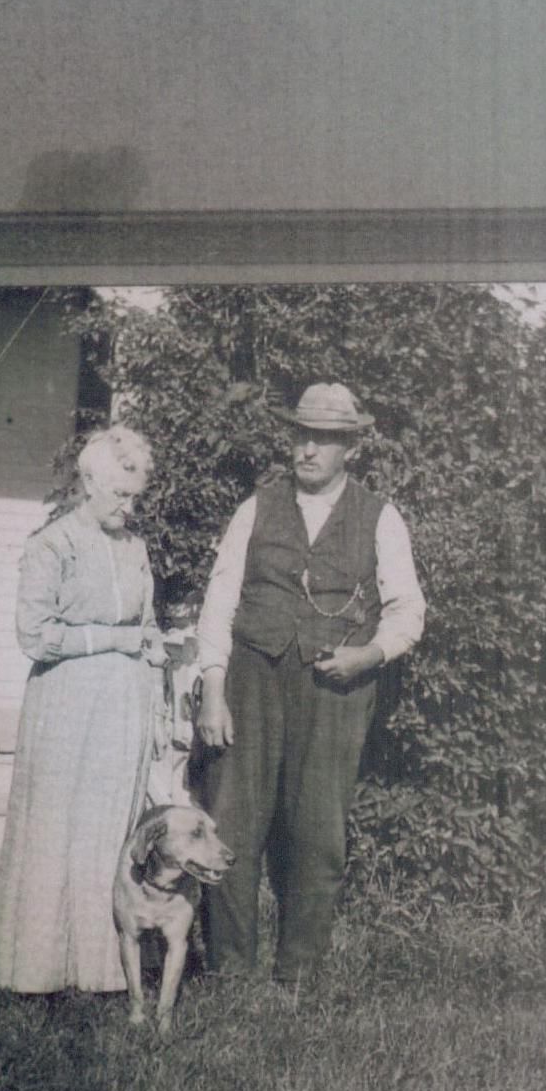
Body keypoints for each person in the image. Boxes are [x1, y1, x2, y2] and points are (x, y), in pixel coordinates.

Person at [194, 382, 426, 986]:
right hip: (251, 681)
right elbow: (219, 601)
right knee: (231, 821)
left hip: (335, 690)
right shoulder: (255, 508)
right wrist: (213, 690)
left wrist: (368, 655)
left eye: (324, 439)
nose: (308, 450)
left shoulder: (380, 516)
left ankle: (299, 974)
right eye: (301, 435)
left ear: (351, 448)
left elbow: (408, 610)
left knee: (319, 830)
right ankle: (229, 971)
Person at [0, 426, 166, 995]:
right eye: (120, 494)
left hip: (124, 703)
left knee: (108, 829)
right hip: (66, 703)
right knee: (59, 828)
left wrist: (154, 674)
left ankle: (104, 967)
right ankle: (42, 965)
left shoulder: (135, 548)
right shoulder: (52, 545)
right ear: (88, 482)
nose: (129, 507)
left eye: (135, 496)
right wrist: (115, 640)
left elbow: (146, 625)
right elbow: (35, 636)